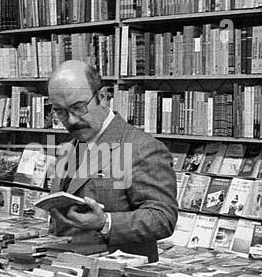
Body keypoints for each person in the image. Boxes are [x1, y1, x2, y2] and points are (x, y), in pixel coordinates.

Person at [44, 60, 177, 261]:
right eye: (60, 111)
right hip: (68, 273)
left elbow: (162, 218)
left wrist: (105, 222)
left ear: (103, 97)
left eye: (78, 108)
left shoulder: (142, 147)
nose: (70, 120)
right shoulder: (71, 145)